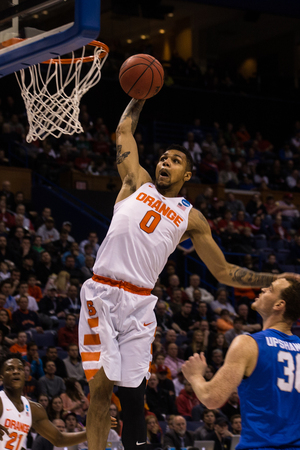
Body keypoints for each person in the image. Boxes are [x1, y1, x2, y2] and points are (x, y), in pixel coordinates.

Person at [79, 98, 297, 450]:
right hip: (102, 294)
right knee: (102, 391)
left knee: (135, 395)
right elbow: (123, 131)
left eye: (175, 160)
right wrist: (139, 97)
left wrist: (271, 279)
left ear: (187, 175)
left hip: (140, 304)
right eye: (164, 157)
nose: (166, 162)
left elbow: (224, 272)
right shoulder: (137, 182)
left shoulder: (190, 217)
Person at [182, 277, 300, 450]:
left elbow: (211, 398)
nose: (263, 289)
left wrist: (194, 376)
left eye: (270, 289)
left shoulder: (248, 343)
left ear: (279, 305)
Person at [0, 354, 88, 450]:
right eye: (10, 369)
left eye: (20, 369)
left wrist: (93, 433)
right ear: (1, 377)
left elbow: (59, 439)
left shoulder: (34, 409)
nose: (16, 372)